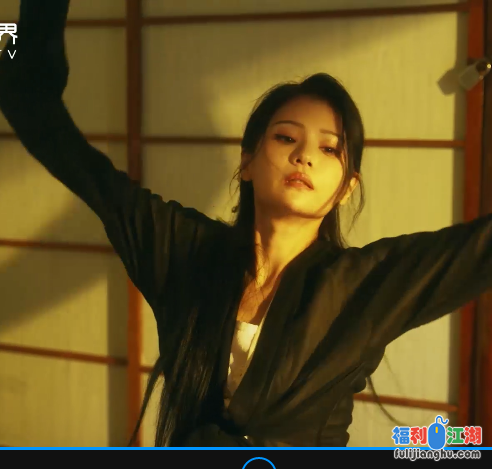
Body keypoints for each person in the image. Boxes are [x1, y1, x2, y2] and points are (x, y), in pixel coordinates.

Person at [1, 0, 491, 448]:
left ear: (347, 187)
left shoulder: (363, 285)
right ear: (248, 162)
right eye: (286, 138)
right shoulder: (184, 250)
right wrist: (29, 33)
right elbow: (72, 156)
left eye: (329, 149)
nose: (304, 156)